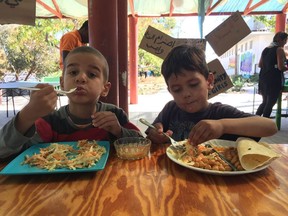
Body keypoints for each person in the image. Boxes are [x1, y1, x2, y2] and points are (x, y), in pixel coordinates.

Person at [0, 46, 142, 160]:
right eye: (73, 72)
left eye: (92, 74)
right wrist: (27, 115)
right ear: (62, 83)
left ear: (105, 89)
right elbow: (7, 153)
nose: (80, 78)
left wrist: (119, 131)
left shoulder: (114, 115)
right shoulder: (50, 121)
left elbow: (143, 145)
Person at [146, 45, 278, 146]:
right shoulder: (170, 109)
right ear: (170, 91)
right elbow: (151, 134)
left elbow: (270, 127)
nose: (186, 94)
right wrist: (155, 134)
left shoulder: (220, 113)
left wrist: (222, 126)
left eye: (193, 84)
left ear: (209, 81)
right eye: (177, 89)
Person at [256, 32, 288, 117]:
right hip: (273, 79)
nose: (285, 42)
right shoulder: (279, 49)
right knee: (270, 103)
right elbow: (281, 67)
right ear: (279, 40)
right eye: (285, 40)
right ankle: (264, 124)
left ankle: (253, 121)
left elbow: (260, 65)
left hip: (263, 78)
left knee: (264, 102)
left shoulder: (266, 49)